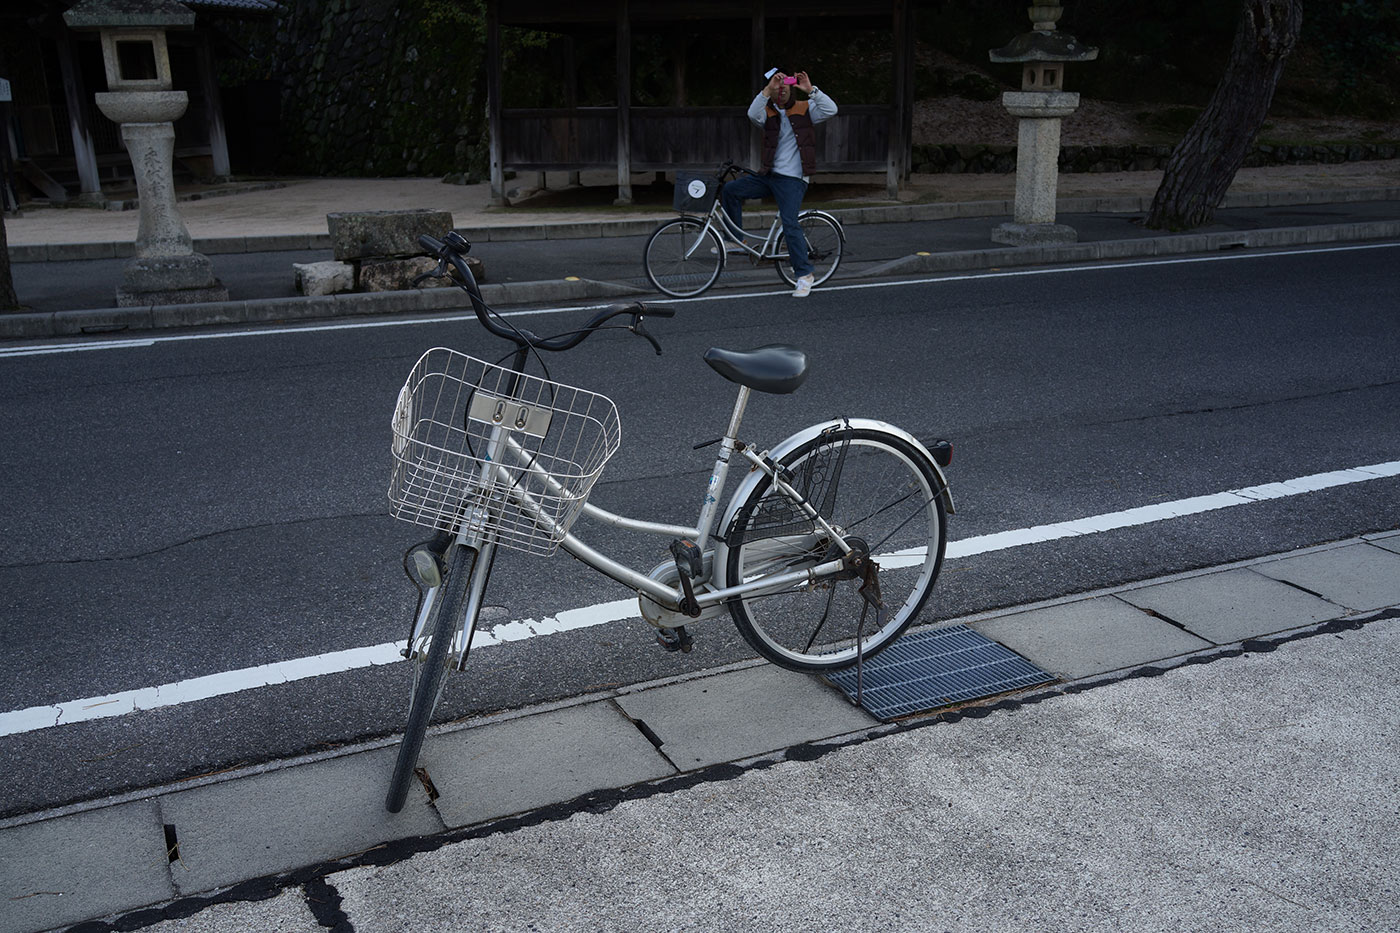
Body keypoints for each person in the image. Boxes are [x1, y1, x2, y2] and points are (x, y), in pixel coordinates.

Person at [721, 69, 838, 298]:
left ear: (792, 88)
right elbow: (752, 114)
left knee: (789, 222)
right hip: (769, 176)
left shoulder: (806, 108)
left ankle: (804, 275)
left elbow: (831, 109)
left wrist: (810, 90)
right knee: (731, 190)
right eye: (777, 88)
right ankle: (735, 241)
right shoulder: (768, 111)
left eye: (785, 87)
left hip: (793, 179)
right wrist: (766, 90)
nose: (781, 90)